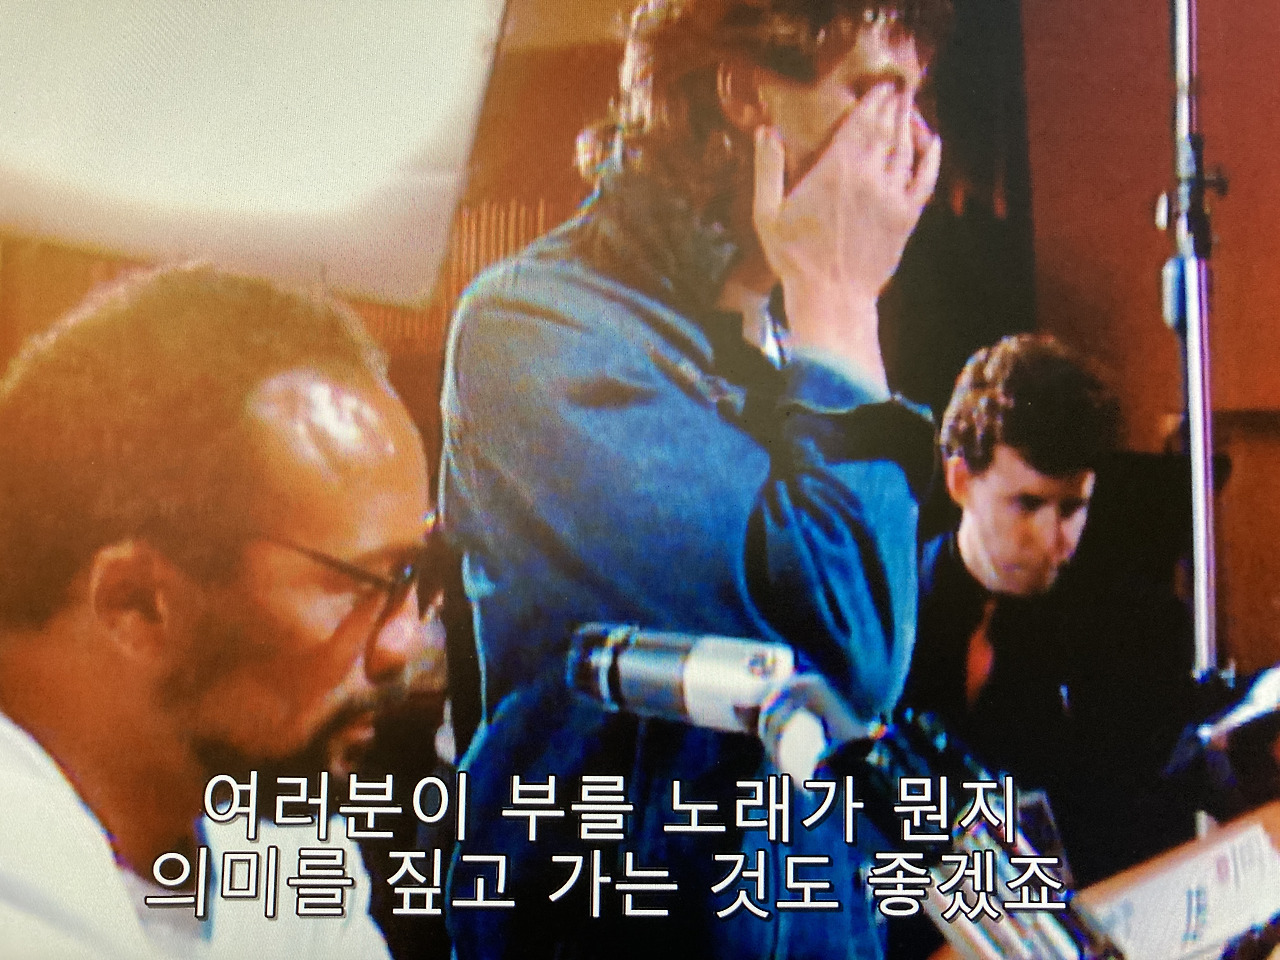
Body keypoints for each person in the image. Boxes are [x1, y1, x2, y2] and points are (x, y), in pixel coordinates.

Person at [438, 0, 950, 957]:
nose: (909, 143)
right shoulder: (536, 329)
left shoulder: (797, 353)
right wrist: (842, 301)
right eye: (873, 93)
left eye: (914, 100)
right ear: (745, 91)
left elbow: (847, 734)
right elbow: (838, 654)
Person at [0, 265, 446, 959]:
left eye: (416, 578)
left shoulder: (274, 834)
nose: (406, 644)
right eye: (366, 583)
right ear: (136, 602)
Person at [902, 334, 1199, 891]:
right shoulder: (892, 610)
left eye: (1072, 507)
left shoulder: (1130, 628)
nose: (1052, 539)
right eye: (1027, 504)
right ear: (960, 481)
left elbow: (1142, 827)